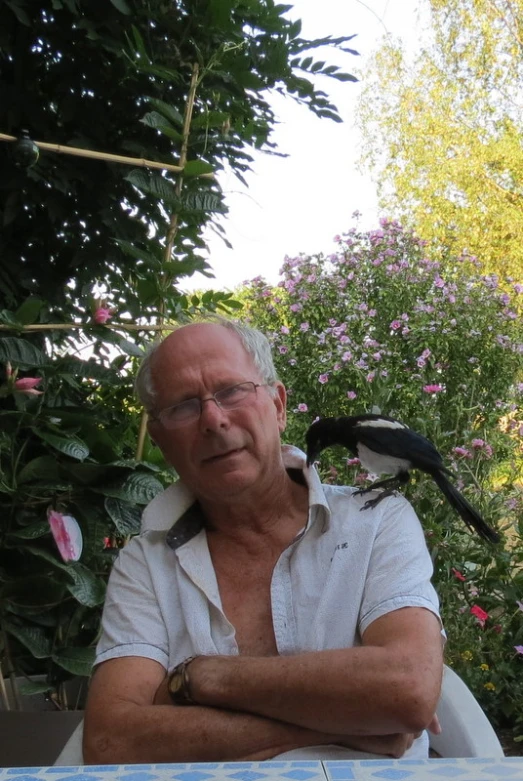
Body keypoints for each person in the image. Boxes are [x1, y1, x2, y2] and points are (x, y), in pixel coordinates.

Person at [83, 316, 444, 764]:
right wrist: (341, 720)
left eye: (232, 391)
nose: (214, 420)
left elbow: (407, 689)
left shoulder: (376, 521)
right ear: (159, 438)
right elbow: (111, 740)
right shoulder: (146, 562)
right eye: (183, 406)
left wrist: (203, 677)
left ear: (277, 404)